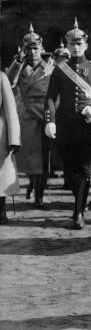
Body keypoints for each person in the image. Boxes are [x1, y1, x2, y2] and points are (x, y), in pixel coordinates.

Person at [44, 18, 91, 229]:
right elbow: (50, 97)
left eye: (79, 43)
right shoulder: (59, 69)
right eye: (72, 44)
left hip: (86, 126)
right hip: (65, 127)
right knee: (71, 170)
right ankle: (81, 200)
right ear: (67, 44)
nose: (75, 47)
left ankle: (78, 212)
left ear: (85, 44)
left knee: (83, 169)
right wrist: (50, 121)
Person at [5, 24, 54, 208]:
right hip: (26, 116)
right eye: (29, 49)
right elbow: (9, 82)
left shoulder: (49, 67)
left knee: (43, 157)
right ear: (24, 50)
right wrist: (17, 62)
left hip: (44, 115)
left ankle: (38, 196)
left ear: (41, 48)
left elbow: (54, 92)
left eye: (36, 48)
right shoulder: (18, 65)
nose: (33, 52)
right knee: (31, 158)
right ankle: (33, 182)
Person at [0, 71, 21, 224]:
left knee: (1, 175)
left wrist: (14, 138)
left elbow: (10, 110)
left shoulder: (1, 77)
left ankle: (1, 211)